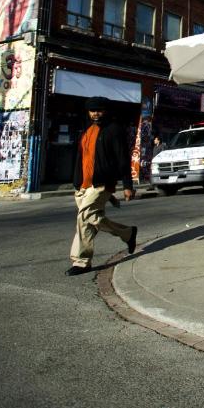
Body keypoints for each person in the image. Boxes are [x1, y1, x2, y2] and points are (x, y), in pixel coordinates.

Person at [65, 97, 138, 276]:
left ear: (106, 111)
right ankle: (128, 234)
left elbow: (122, 159)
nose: (95, 113)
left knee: (84, 217)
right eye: (92, 110)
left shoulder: (114, 130)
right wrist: (75, 181)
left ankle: (81, 262)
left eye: (99, 110)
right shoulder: (85, 130)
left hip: (101, 184)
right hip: (82, 185)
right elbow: (80, 158)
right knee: (91, 220)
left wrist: (127, 185)